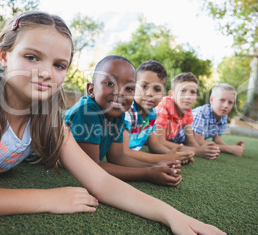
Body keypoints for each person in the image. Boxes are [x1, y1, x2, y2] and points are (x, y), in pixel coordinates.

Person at [0, 11, 225, 235]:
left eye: (59, 65)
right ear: (5, 55)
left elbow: (99, 180)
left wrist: (172, 215)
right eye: (32, 57)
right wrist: (46, 199)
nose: (46, 73)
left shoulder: (47, 118)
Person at [64, 56, 183, 187]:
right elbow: (91, 166)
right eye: (110, 83)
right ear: (91, 90)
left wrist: (155, 167)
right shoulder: (87, 111)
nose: (120, 92)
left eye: (129, 88)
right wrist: (147, 173)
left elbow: (117, 156)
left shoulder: (118, 113)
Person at [123, 60, 194, 164]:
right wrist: (167, 158)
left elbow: (154, 144)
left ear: (163, 95)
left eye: (157, 89)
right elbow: (124, 152)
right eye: (144, 86)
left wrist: (175, 155)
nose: (150, 93)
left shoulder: (154, 112)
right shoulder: (127, 111)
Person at [150, 73, 221, 160]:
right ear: (171, 94)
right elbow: (159, 142)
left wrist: (205, 150)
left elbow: (191, 142)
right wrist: (197, 151)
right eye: (183, 91)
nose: (188, 96)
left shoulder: (187, 110)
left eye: (192, 92)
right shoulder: (163, 108)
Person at [192, 83, 245, 157]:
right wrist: (230, 149)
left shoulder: (223, 116)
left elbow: (217, 140)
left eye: (230, 102)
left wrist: (234, 147)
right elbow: (198, 143)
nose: (226, 105)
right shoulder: (201, 113)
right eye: (222, 100)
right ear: (211, 100)